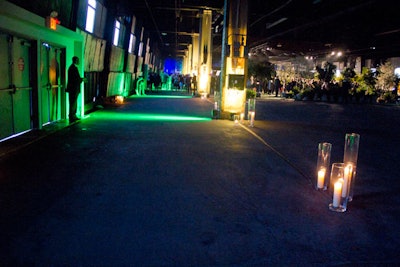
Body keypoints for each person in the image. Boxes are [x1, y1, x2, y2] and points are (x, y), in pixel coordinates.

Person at [66, 56, 85, 122]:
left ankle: (72, 115)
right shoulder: (74, 68)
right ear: (75, 61)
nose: (79, 61)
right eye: (78, 60)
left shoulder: (71, 68)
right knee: (73, 102)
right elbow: (75, 79)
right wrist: (82, 79)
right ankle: (72, 115)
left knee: (73, 102)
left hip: (72, 88)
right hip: (74, 88)